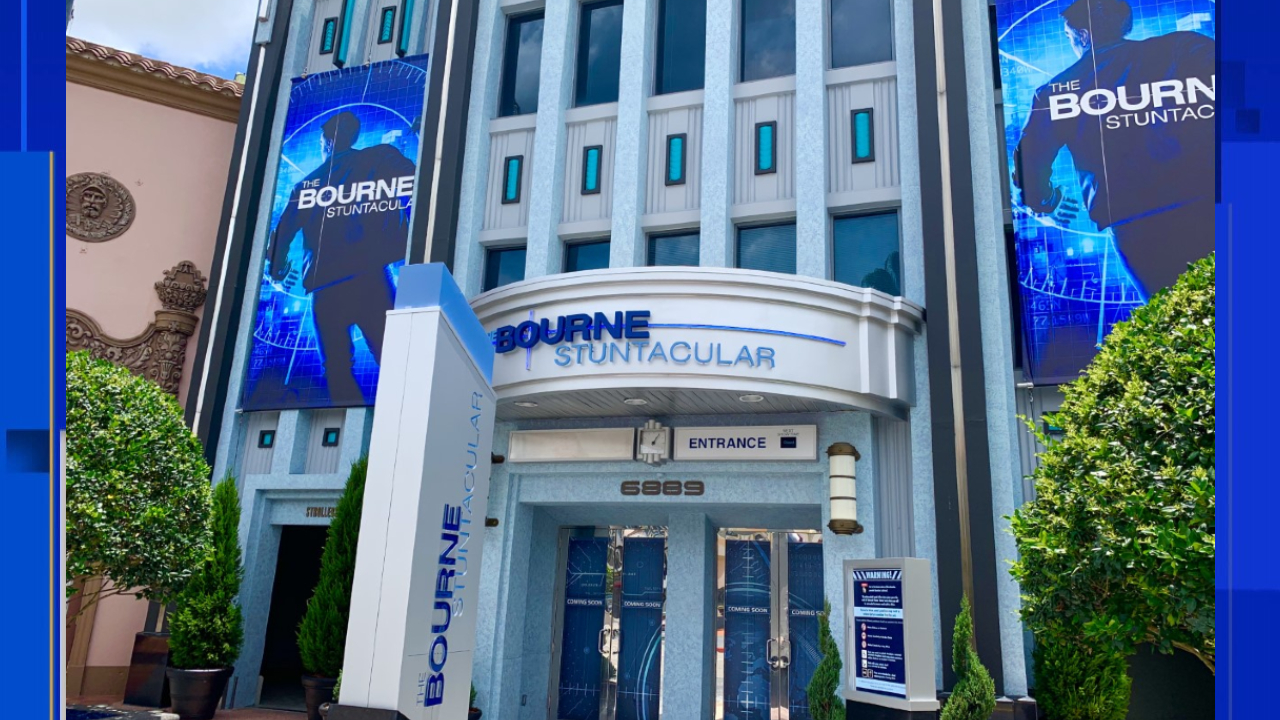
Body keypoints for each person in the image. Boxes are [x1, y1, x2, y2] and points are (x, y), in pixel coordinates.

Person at [1012, 0, 1215, 297]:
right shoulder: (1183, 47)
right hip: (1205, 198)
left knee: (1173, 321)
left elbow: (1029, 165)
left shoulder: (1055, 91)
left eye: (1070, 37)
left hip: (1134, 221)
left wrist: (1049, 201)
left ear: (1082, 36)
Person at [267, 110, 415, 406]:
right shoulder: (379, 158)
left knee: (336, 367)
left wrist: (278, 270)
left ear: (327, 141)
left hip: (327, 286)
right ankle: (405, 413)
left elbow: (282, 235)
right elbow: (414, 178)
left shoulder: (307, 185)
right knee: (392, 356)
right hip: (372, 277)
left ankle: (348, 418)